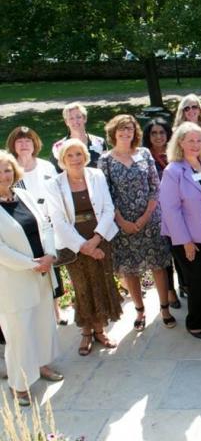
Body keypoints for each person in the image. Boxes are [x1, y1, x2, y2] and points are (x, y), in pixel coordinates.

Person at [98, 115, 175, 333]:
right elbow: (106, 195)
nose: (126, 133)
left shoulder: (144, 153)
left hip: (150, 220)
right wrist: (122, 221)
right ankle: (140, 311)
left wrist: (144, 217)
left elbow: (155, 186)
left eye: (130, 129)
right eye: (121, 130)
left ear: (135, 132)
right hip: (122, 223)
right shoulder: (105, 160)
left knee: (158, 265)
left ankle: (164, 308)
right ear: (113, 132)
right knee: (130, 269)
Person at [46, 139, 123, 355]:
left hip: (101, 240)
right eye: (70, 155)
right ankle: (86, 332)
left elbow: (108, 209)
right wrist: (84, 247)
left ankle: (99, 330)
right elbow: (58, 221)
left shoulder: (96, 176)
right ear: (62, 159)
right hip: (73, 247)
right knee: (82, 287)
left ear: (85, 156)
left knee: (101, 283)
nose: (75, 159)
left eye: (78, 154)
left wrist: (96, 239)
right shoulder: (54, 184)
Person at [0, 151, 62, 406]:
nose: (3, 176)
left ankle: (42, 366)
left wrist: (50, 255)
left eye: (6, 169)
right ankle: (20, 384)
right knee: (19, 335)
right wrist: (30, 264)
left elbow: (45, 225)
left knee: (43, 324)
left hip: (42, 272)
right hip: (13, 281)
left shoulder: (23, 194)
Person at [159, 122, 201, 339]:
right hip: (188, 237)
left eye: (198, 140)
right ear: (180, 143)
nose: (195, 144)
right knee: (197, 281)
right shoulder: (173, 171)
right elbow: (170, 209)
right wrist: (185, 241)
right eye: (190, 140)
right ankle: (195, 323)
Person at [7, 126, 66, 324]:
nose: (24, 145)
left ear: (35, 144)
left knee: (51, 268)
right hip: (25, 227)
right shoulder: (9, 168)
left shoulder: (46, 166)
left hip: (49, 224)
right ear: (13, 145)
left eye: (28, 141)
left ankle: (56, 310)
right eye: (20, 141)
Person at [142, 118, 183, 309]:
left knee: (181, 249)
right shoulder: (144, 157)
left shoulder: (176, 154)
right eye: (154, 133)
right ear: (148, 136)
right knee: (163, 253)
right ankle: (170, 290)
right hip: (157, 212)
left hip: (179, 209)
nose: (158, 136)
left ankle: (184, 284)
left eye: (162, 132)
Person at [51, 102, 107, 171]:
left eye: (78, 117)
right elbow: (55, 174)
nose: (75, 121)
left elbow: (105, 169)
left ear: (85, 119)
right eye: (71, 118)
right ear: (66, 122)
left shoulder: (100, 142)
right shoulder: (58, 147)